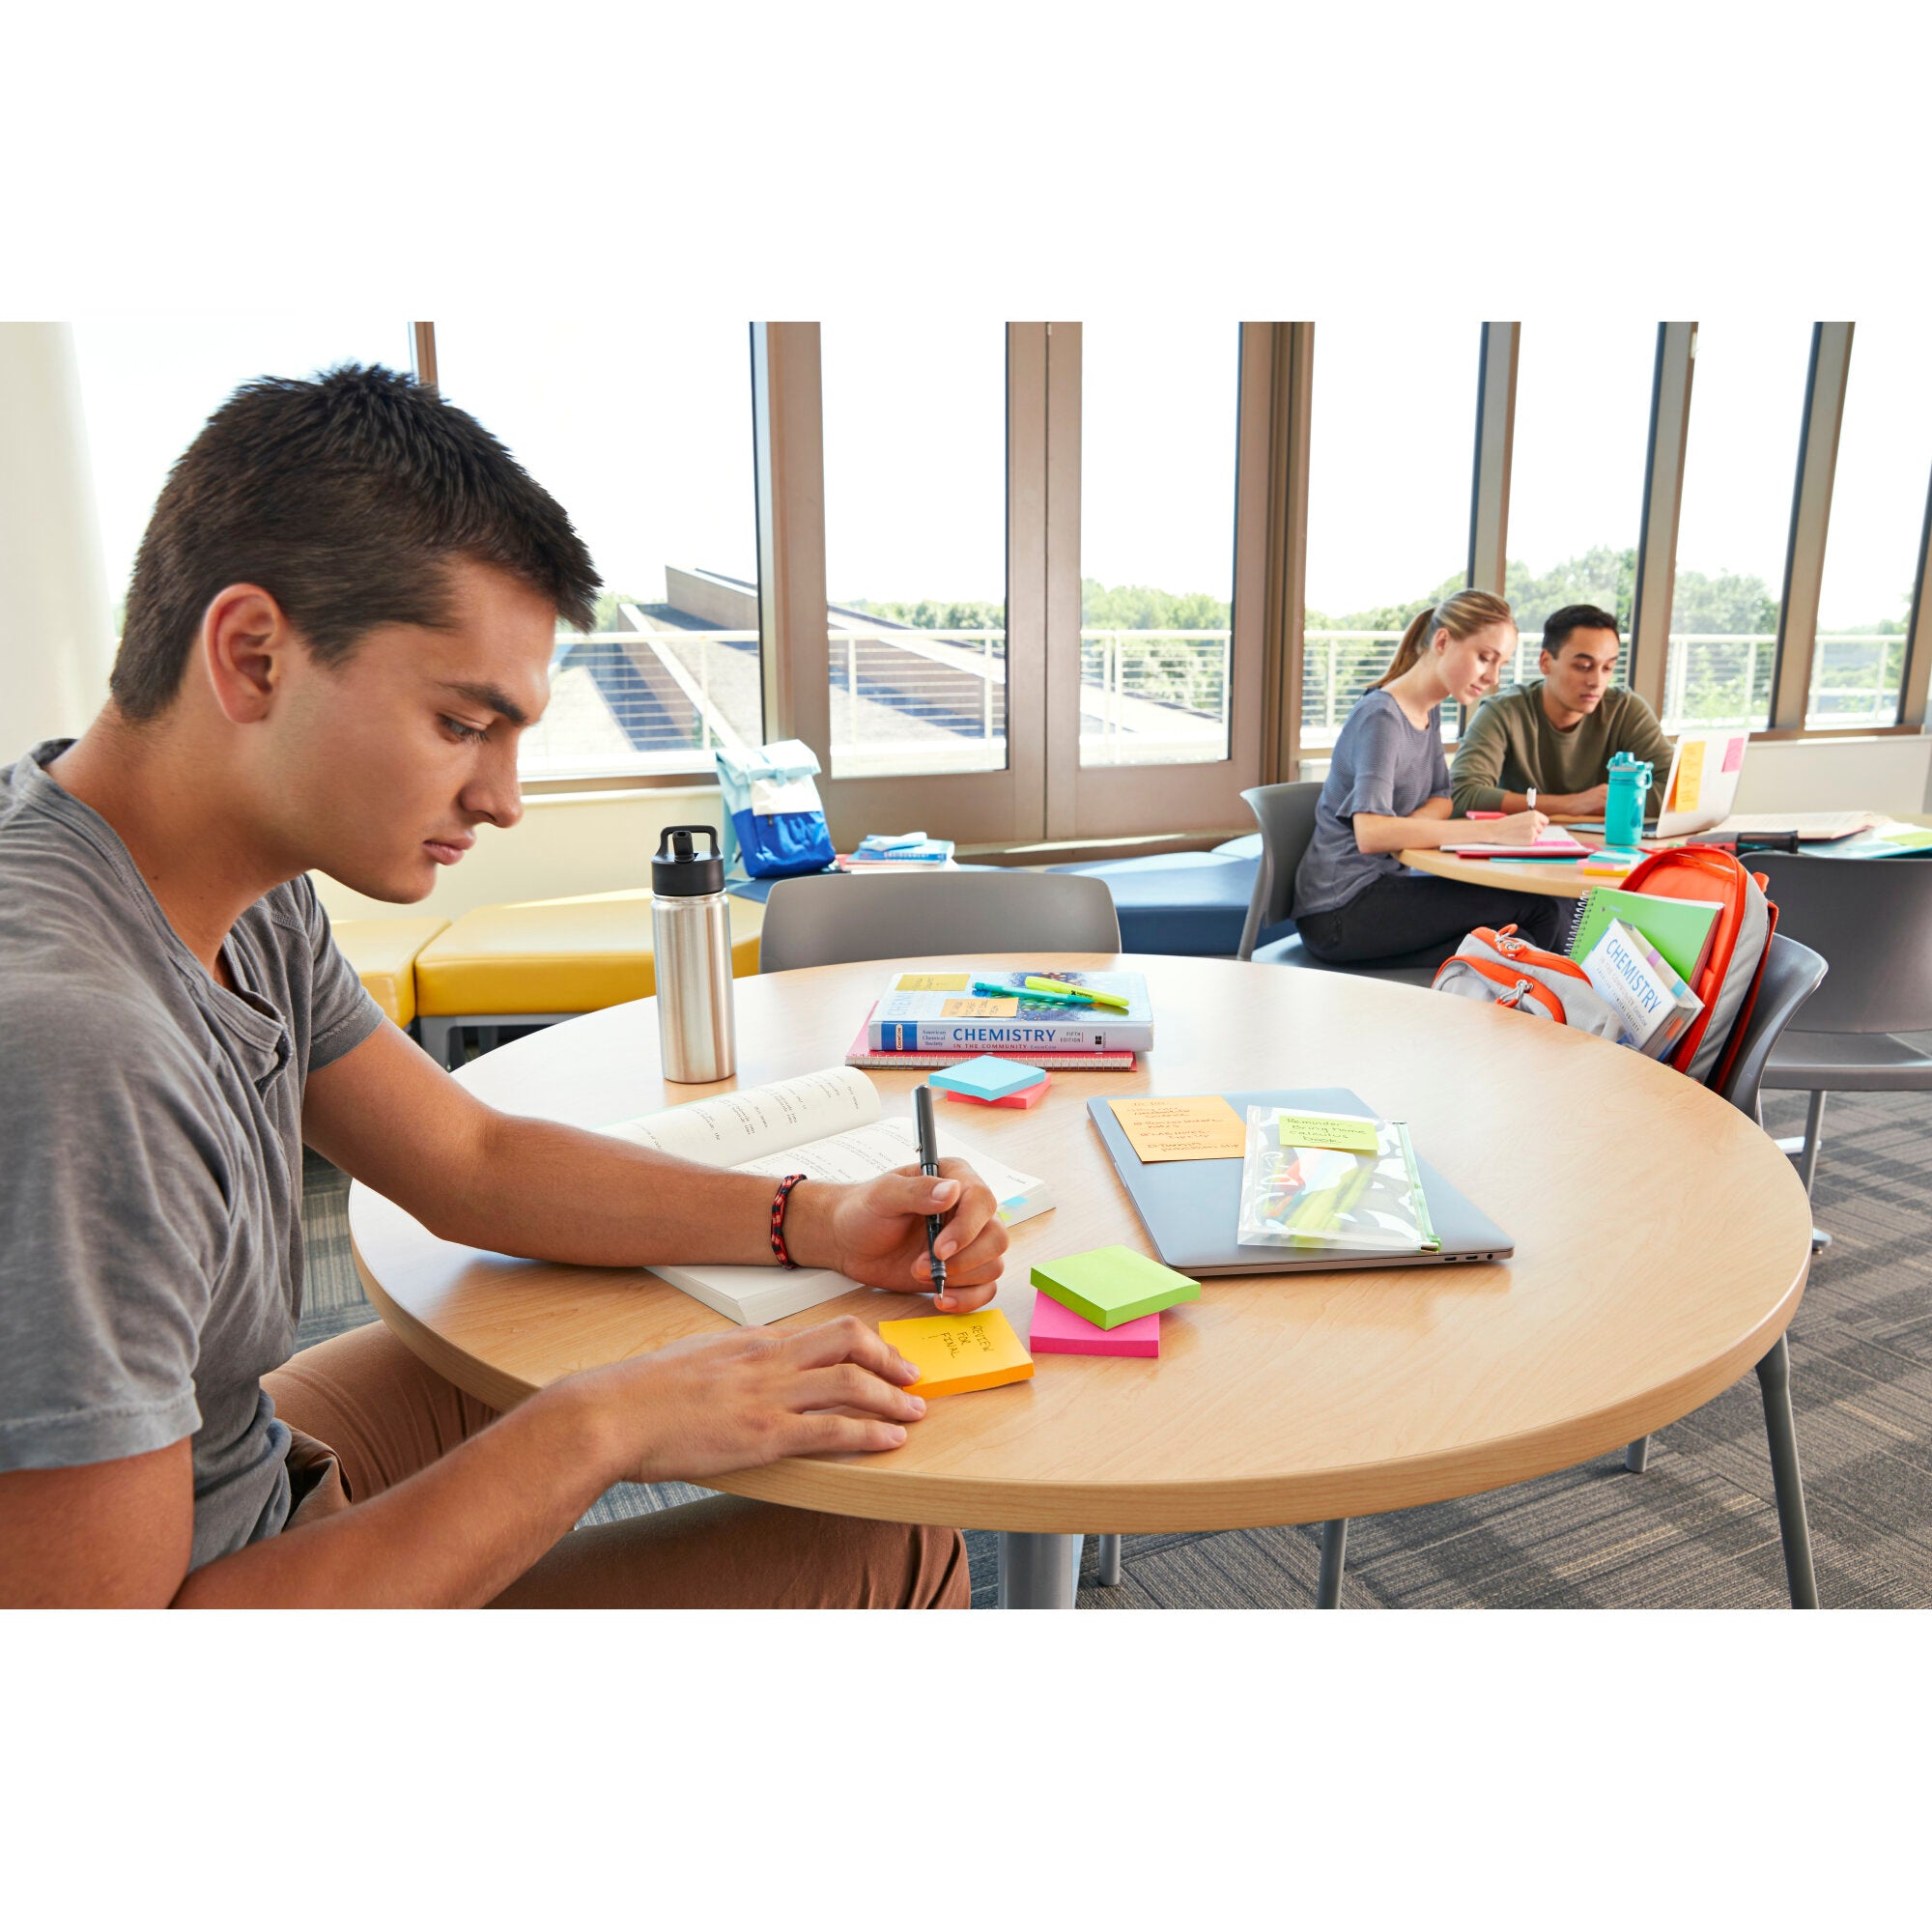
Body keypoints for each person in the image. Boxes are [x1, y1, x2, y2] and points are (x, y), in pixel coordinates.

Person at [0, 365, 1004, 1609]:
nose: (503, 799)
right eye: (462, 725)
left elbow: (466, 1159)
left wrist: (817, 1217)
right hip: (199, 1583)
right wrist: (595, 1429)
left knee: (554, 1333)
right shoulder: (75, 1046)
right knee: (887, 1546)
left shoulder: (227, 882)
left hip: (235, 1462)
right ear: (253, 656)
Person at [1292, 590, 1566, 966]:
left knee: (1520, 937)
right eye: (1485, 658)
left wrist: (1404, 830)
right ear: (1442, 641)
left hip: (1380, 889)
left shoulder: (1427, 711)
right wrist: (1495, 831)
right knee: (1539, 911)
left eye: (1500, 664)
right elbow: (1371, 834)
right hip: (1341, 910)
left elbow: (1442, 798)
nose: (1492, 678)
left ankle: (1518, 998)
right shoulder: (1382, 718)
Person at [1449, 604, 1672, 821]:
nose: (1596, 681)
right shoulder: (1503, 712)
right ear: (1545, 662)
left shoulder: (1626, 709)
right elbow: (1462, 794)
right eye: (1583, 666)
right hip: (1520, 842)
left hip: (1602, 843)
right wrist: (1572, 805)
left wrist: (1605, 802)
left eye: (1608, 668)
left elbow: (1676, 792)